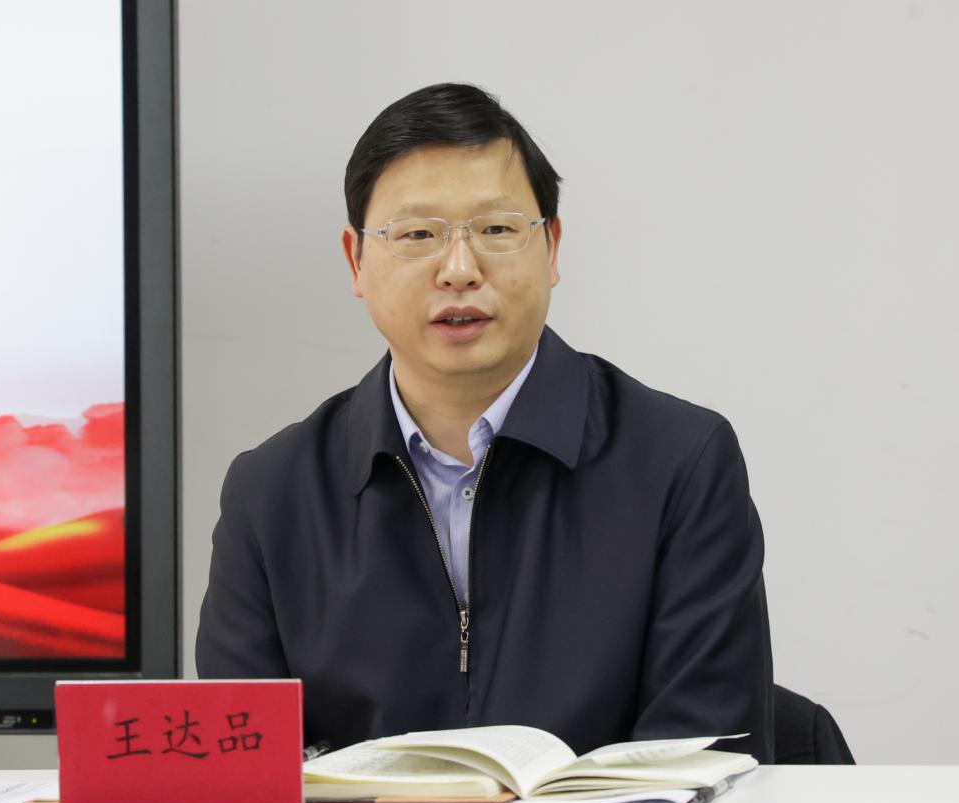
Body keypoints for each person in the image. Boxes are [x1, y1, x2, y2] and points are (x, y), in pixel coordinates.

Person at [196, 83, 774, 762]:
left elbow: (703, 759)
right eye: (418, 235)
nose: (459, 269)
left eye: (497, 230)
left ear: (551, 247)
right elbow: (244, 771)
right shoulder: (271, 493)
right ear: (356, 260)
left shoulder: (679, 462)